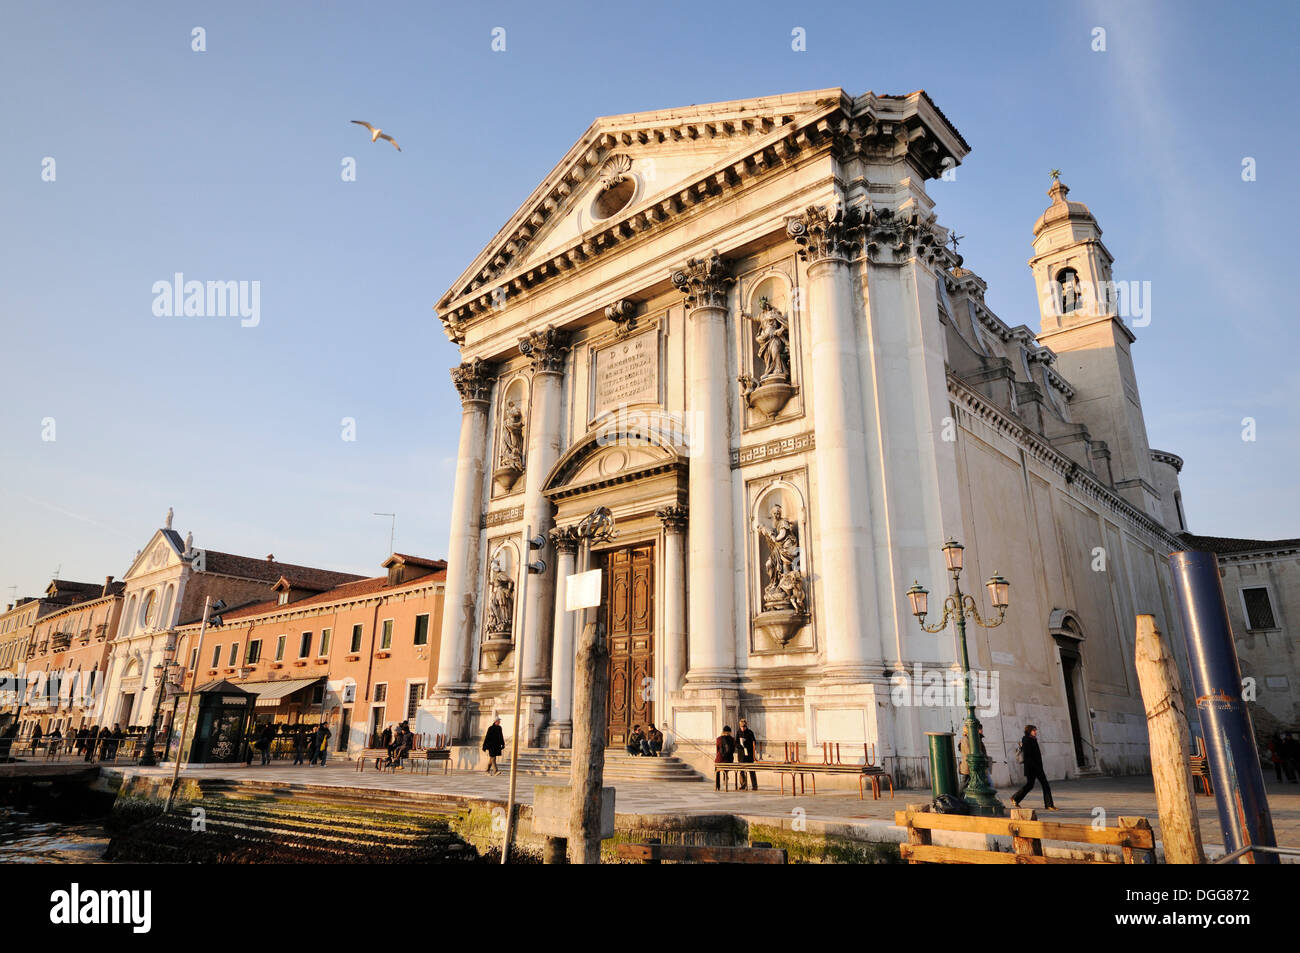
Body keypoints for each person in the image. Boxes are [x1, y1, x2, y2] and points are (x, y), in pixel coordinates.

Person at [1012, 724, 1058, 811]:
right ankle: (1049, 805)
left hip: (1035, 767)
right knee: (1045, 785)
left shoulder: (1032, 739)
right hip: (1033, 768)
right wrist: (1036, 767)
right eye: (1034, 730)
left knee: (1029, 785)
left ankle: (1015, 798)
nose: (1035, 732)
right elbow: (1028, 756)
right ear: (1029, 731)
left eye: (1035, 730)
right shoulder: (1026, 740)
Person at [714, 725, 736, 790]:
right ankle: (725, 776)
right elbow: (733, 750)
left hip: (720, 759)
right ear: (730, 732)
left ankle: (717, 785)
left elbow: (717, 750)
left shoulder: (718, 739)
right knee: (726, 764)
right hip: (729, 760)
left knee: (717, 769)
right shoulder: (732, 739)